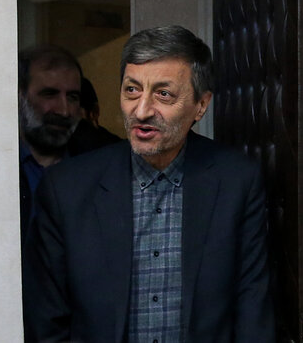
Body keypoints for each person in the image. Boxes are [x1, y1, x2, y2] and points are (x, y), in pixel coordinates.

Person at [22, 25, 274, 343]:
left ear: (201, 104)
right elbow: (45, 320)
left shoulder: (236, 182)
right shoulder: (66, 189)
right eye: (132, 90)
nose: (141, 111)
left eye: (163, 94)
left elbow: (253, 308)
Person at [18, 46, 117, 241]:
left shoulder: (102, 163)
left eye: (72, 97)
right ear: (21, 96)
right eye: (49, 94)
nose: (64, 110)